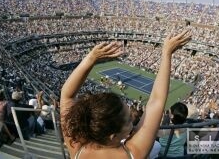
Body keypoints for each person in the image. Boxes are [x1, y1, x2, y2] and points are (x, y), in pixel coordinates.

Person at [60, 30, 191, 159]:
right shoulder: (134, 153)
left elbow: (67, 96)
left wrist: (91, 58)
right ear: (113, 136)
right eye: (128, 120)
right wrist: (167, 53)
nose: (132, 123)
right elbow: (156, 101)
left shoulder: (76, 148)